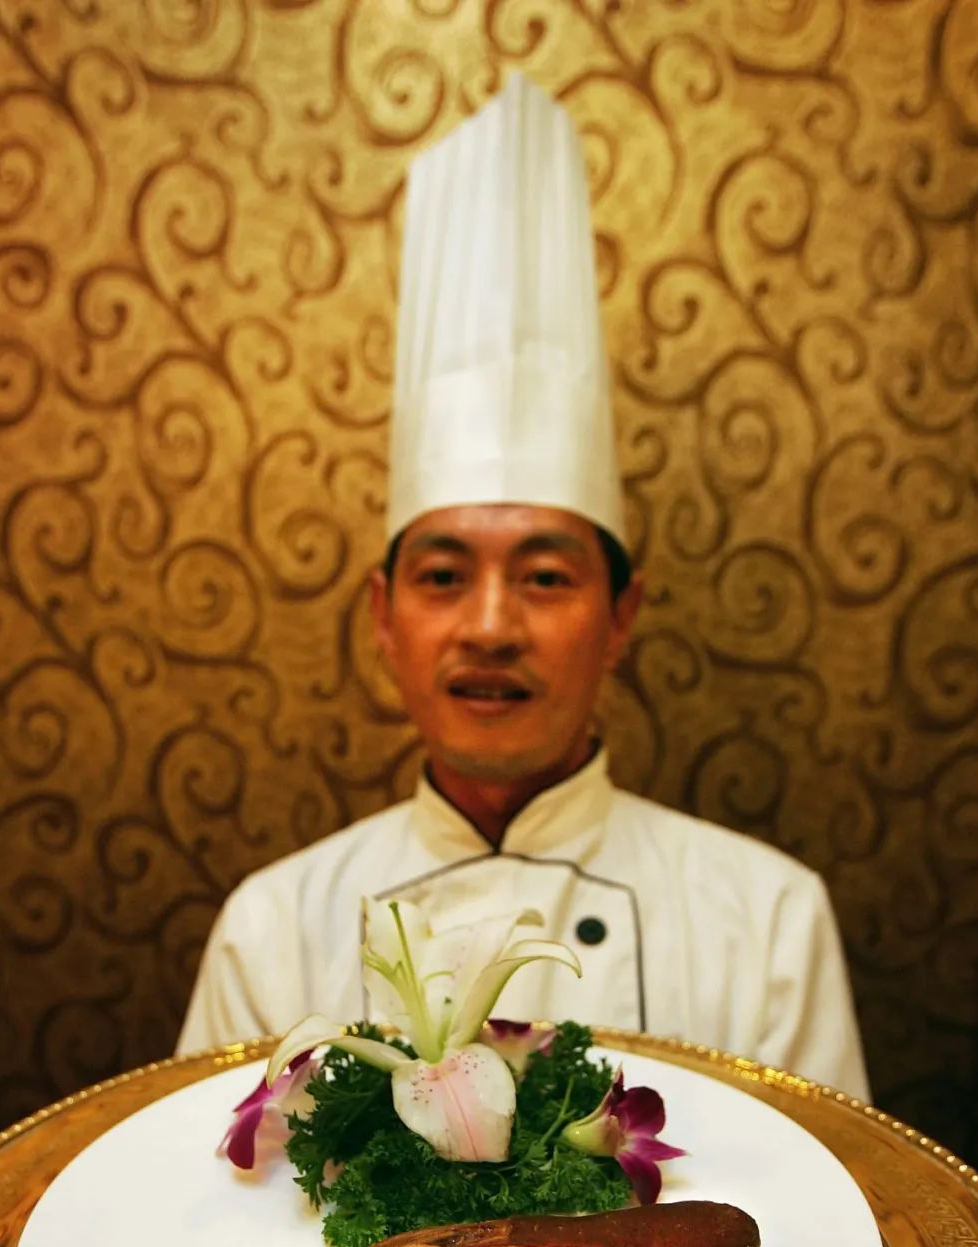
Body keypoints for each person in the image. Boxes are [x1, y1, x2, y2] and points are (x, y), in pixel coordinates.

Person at [176, 76, 870, 1101]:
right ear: (384, 617)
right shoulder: (272, 928)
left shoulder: (769, 919)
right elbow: (203, 1193)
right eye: (444, 576)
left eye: (545, 575)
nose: (492, 626)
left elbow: (831, 1198)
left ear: (620, 618)